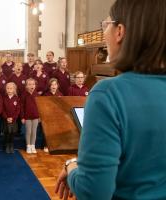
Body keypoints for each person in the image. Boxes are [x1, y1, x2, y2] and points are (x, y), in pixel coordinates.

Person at [55, 0, 166, 199]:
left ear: (120, 31)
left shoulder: (109, 94)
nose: (104, 33)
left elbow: (94, 192)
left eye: (106, 25)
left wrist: (71, 167)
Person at [21, 78, 39, 154]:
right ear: (26, 86)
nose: (31, 86)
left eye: (33, 84)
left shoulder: (37, 94)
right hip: (27, 117)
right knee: (28, 131)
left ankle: (33, 145)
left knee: (34, 131)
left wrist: (39, 116)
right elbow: (21, 106)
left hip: (35, 116)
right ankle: (28, 145)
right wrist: (22, 117)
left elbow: (39, 106)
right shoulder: (24, 94)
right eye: (29, 84)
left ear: (35, 85)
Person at [2, 82, 20, 154]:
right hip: (6, 119)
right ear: (6, 89)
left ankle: (11, 145)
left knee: (12, 132)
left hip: (13, 120)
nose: (9, 90)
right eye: (8, 88)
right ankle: (6, 145)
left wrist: (13, 118)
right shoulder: (4, 98)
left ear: (14, 89)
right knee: (7, 132)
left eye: (11, 88)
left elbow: (18, 109)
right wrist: (6, 118)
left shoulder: (16, 98)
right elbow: (2, 109)